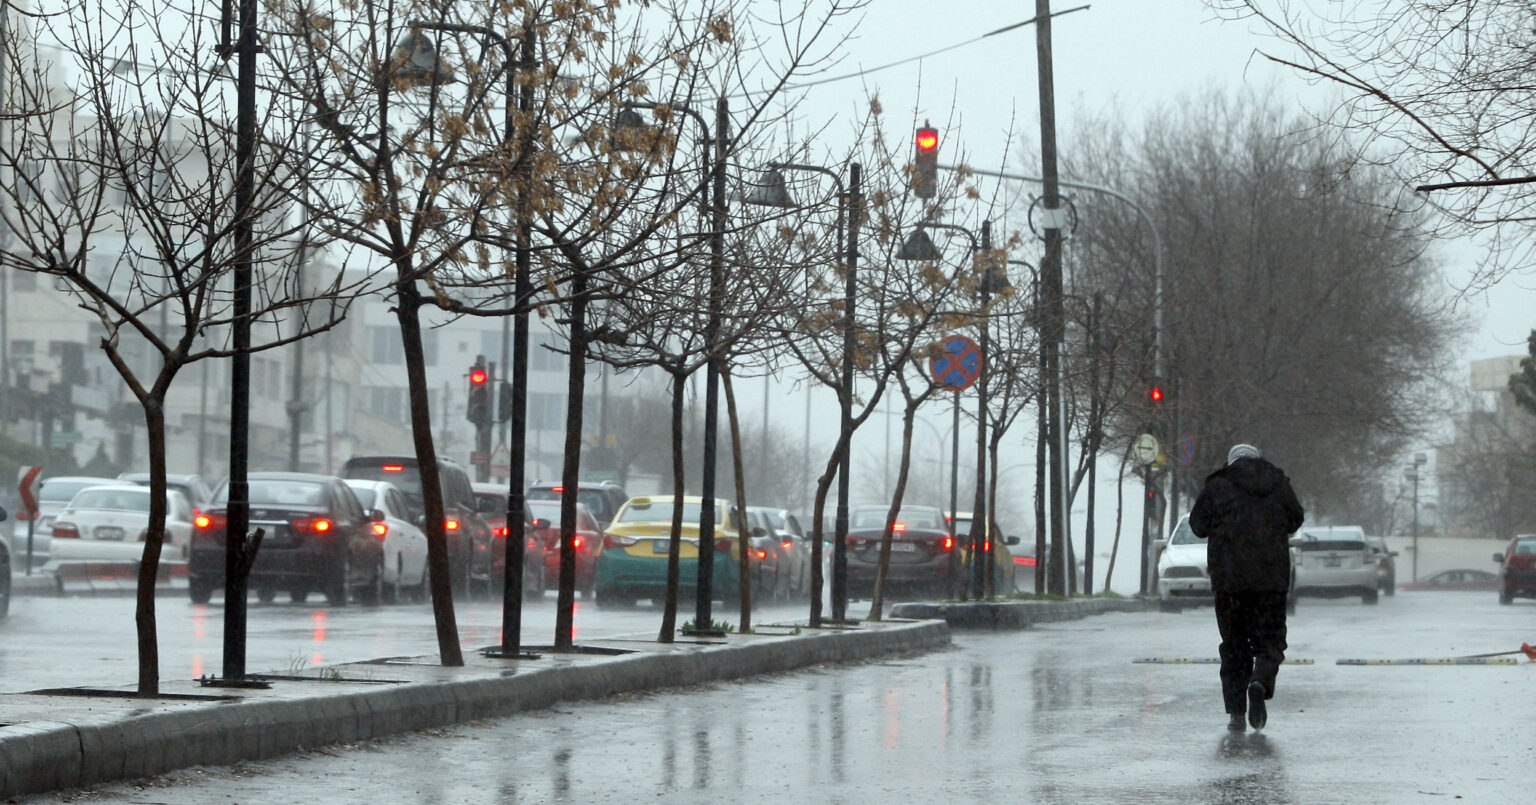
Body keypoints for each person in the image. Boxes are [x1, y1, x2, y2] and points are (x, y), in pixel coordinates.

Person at [1189, 443, 1304, 731]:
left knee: (1234, 645)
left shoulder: (1218, 485)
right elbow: (1295, 519)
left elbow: (1198, 526)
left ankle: (1236, 712)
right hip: (1271, 580)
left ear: (1231, 461)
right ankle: (1260, 680)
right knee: (1271, 640)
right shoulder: (1279, 483)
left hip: (1230, 582)